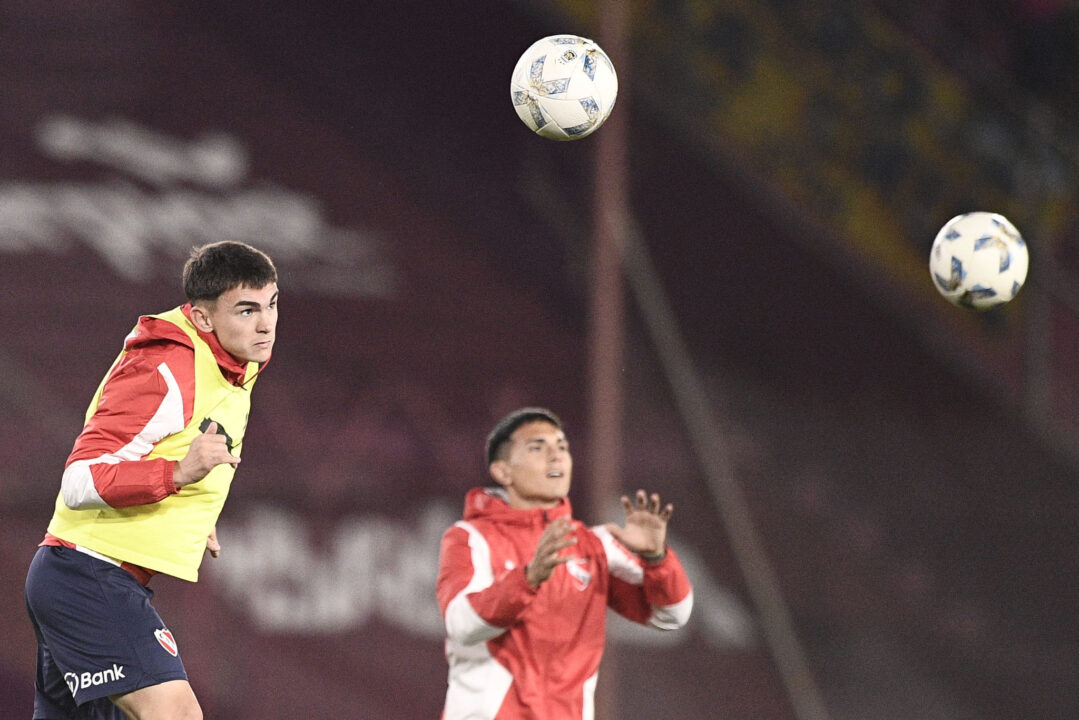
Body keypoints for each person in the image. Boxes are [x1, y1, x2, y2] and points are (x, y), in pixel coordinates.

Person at [24, 241, 279, 720]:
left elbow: (165, 443)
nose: (265, 323)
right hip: (87, 575)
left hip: (80, 577)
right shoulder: (166, 369)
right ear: (202, 319)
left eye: (271, 303)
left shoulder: (233, 358)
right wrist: (179, 476)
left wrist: (196, 510)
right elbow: (79, 481)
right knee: (176, 714)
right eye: (246, 310)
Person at [436, 407, 694, 719]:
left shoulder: (595, 546)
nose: (556, 456)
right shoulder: (469, 537)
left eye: (562, 447)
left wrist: (657, 560)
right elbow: (461, 625)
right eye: (537, 448)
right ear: (503, 472)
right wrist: (528, 579)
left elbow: (672, 616)